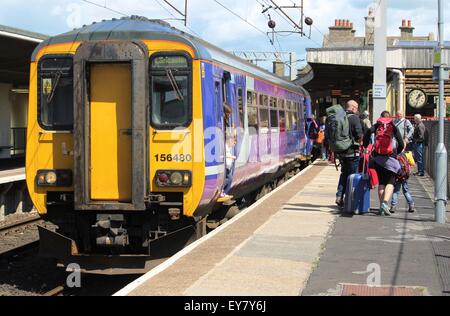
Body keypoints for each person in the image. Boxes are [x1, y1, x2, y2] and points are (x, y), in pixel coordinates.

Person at [364, 111, 405, 216]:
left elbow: (368, 132)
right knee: (390, 183)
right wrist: (397, 152)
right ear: (390, 117)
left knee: (381, 182)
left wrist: (365, 144)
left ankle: (382, 206)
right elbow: (400, 142)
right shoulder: (393, 126)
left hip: (378, 158)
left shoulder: (377, 125)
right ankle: (385, 203)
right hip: (390, 158)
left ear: (381, 117)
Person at [335, 100, 364, 208]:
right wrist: (361, 141)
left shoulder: (339, 117)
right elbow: (359, 134)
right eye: (356, 108)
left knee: (344, 174)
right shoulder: (354, 118)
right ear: (352, 108)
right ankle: (350, 200)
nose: (357, 110)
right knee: (352, 176)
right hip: (352, 152)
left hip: (341, 152)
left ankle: (339, 196)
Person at [390, 111, 416, 213]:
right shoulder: (407, 155)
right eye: (397, 114)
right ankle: (411, 205)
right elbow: (412, 164)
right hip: (405, 174)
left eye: (400, 114)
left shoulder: (395, 155)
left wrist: (406, 137)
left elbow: (411, 130)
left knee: (396, 190)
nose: (398, 116)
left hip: (398, 174)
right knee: (406, 190)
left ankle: (393, 206)